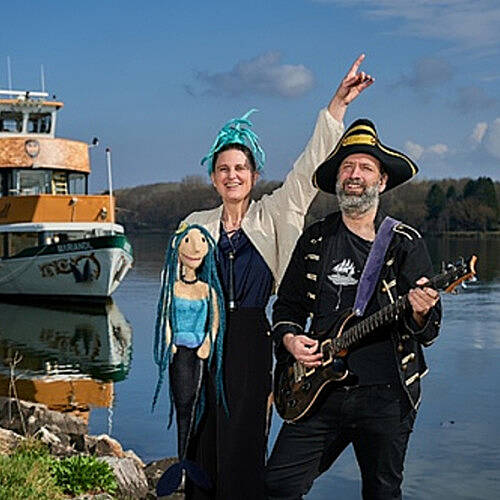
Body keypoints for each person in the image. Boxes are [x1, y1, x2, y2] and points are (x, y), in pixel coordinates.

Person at [181, 54, 374, 499]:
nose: (232, 176)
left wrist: (338, 106)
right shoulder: (194, 224)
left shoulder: (273, 213)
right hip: (202, 339)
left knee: (242, 441)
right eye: (224, 169)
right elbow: (177, 290)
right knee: (199, 435)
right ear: (213, 178)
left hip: (251, 339)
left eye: (240, 168)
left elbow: (308, 169)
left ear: (254, 175)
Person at [266, 118, 442, 499]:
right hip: (319, 391)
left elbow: (429, 330)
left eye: (365, 167)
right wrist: (291, 339)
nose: (354, 175)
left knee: (382, 492)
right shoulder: (316, 238)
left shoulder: (405, 242)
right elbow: (287, 306)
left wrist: (420, 311)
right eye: (347, 166)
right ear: (337, 179)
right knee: (278, 484)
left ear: (382, 181)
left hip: (387, 395)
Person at [152, 224, 226, 496]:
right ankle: (183, 461)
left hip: (200, 353)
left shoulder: (208, 290)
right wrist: (169, 341)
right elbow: (165, 318)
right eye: (187, 242)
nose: (194, 249)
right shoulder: (171, 288)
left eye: (200, 243)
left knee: (199, 404)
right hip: (180, 352)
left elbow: (215, 321)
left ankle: (191, 461)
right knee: (183, 405)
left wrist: (208, 341)